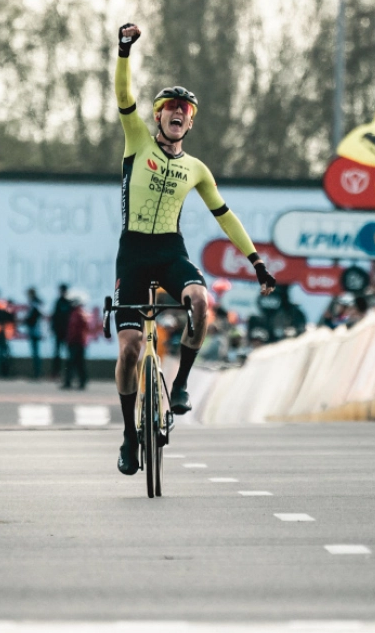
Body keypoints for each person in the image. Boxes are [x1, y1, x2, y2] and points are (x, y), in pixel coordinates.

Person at [110, 23, 274, 477]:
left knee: (200, 301)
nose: (178, 113)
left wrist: (257, 262)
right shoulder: (138, 140)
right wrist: (123, 51)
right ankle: (129, 436)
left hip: (170, 249)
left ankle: (180, 383)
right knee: (129, 351)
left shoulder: (197, 168)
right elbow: (123, 96)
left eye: (185, 110)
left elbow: (224, 215)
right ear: (159, 117)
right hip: (133, 252)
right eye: (171, 108)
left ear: (190, 122)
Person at [61, 293, 90, 389]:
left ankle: (73, 382)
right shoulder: (76, 313)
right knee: (77, 363)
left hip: (77, 342)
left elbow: (77, 330)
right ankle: (76, 381)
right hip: (76, 342)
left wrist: (71, 339)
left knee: (74, 363)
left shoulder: (78, 314)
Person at [50, 283, 72, 378]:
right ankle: (56, 372)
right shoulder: (58, 302)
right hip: (59, 332)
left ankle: (69, 374)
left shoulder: (69, 302)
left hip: (67, 332)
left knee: (69, 354)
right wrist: (53, 328)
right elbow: (54, 317)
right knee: (57, 353)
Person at [22, 287, 44, 379]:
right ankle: (36, 372)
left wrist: (25, 321)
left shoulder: (35, 304)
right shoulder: (36, 303)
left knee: (36, 353)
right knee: (35, 352)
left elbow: (33, 317)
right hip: (35, 330)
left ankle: (37, 373)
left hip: (35, 331)